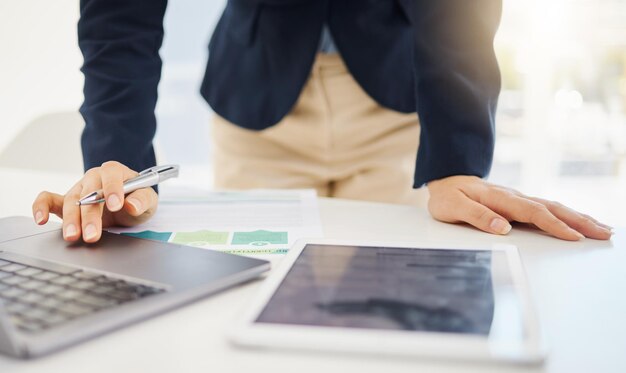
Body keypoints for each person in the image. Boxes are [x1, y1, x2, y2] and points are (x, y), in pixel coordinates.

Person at [32, 0, 612, 243]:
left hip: (394, 106)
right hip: (258, 105)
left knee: (396, 316)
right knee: (248, 307)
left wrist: (456, 157)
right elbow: (120, 12)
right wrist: (121, 163)